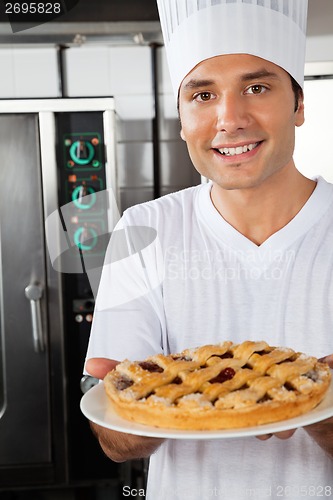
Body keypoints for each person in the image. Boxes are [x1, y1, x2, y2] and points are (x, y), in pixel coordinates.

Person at [85, 1, 333, 498]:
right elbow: (114, 439)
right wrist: (183, 395)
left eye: (257, 88)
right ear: (182, 117)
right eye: (203, 94)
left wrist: (311, 408)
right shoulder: (144, 230)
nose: (230, 119)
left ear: (299, 105)